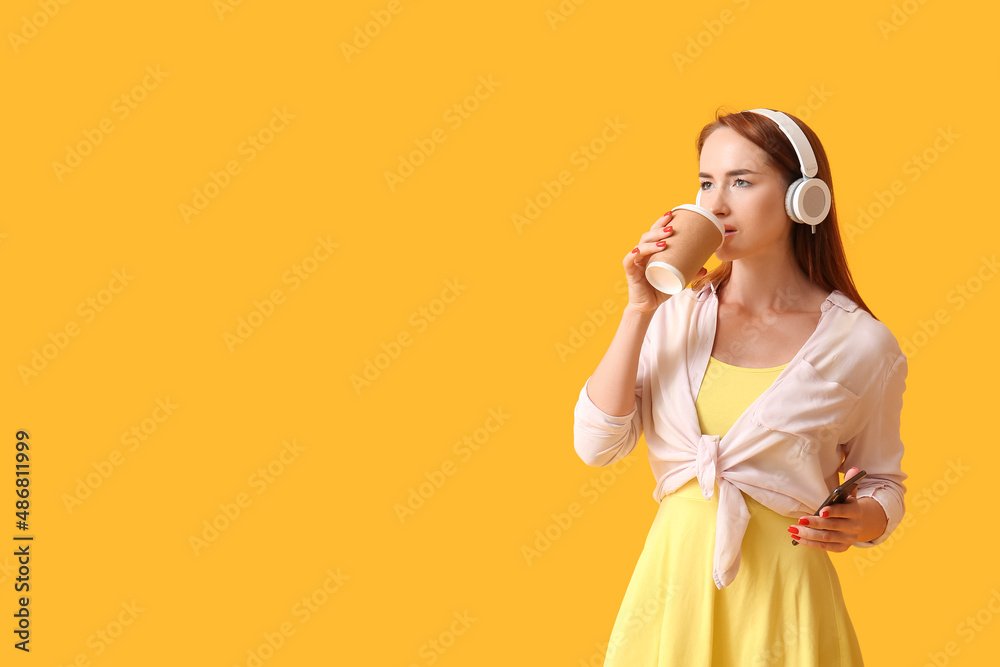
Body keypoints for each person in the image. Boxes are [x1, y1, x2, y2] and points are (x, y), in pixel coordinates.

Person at [572, 108, 907, 666]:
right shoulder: (673, 316)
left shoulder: (864, 345)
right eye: (706, 182)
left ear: (804, 199)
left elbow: (881, 480)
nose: (715, 204)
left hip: (787, 601)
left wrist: (866, 518)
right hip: (671, 592)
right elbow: (595, 445)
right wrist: (639, 309)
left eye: (742, 182)